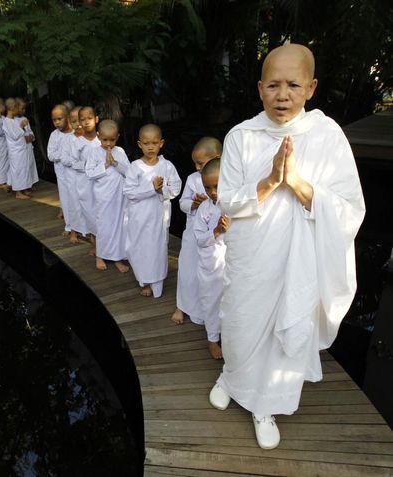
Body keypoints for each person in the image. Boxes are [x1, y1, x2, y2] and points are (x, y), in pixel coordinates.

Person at [208, 43, 366, 450]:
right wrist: (269, 181)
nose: (283, 95)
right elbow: (227, 199)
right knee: (242, 322)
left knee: (285, 333)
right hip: (252, 257)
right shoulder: (242, 136)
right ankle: (233, 376)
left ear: (311, 87)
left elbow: (350, 209)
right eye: (273, 85)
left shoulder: (328, 136)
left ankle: (266, 405)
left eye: (293, 85)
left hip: (299, 262)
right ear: (260, 88)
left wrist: (296, 182)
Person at [123, 124, 182, 298]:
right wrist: (151, 189)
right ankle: (144, 280)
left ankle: (156, 283)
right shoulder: (135, 167)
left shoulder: (167, 166)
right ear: (140, 144)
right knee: (138, 248)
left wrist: (161, 191)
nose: (150, 147)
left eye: (154, 143)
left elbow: (176, 188)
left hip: (158, 217)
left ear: (161, 143)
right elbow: (128, 192)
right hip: (139, 216)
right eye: (146, 143)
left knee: (156, 248)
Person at [171, 137, 222, 325]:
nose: (197, 168)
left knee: (212, 273)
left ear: (217, 157)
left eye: (200, 163)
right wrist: (193, 204)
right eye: (195, 163)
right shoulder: (193, 179)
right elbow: (181, 202)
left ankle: (209, 312)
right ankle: (182, 305)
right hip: (193, 232)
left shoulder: (228, 176)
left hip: (217, 237)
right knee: (187, 268)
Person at [192, 158, 228, 360]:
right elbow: (199, 238)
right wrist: (216, 230)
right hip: (211, 264)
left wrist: (229, 230)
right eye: (208, 187)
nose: (213, 192)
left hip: (230, 264)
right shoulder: (205, 208)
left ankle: (231, 337)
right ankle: (212, 339)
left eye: (217, 186)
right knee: (212, 302)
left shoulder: (234, 204)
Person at [85, 119, 131, 273]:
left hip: (119, 196)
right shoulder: (94, 152)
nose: (108, 144)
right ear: (98, 136)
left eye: (112, 139)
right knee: (104, 225)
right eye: (105, 140)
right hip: (103, 196)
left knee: (118, 225)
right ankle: (100, 255)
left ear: (117, 137)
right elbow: (90, 173)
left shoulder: (121, 152)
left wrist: (116, 163)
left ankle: (117, 257)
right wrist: (105, 165)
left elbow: (130, 172)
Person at [72, 106, 101, 252]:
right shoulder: (78, 142)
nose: (86, 122)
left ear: (96, 119)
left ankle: (106, 244)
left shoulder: (102, 139)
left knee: (101, 211)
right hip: (85, 183)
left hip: (101, 183)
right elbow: (73, 162)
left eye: (89, 118)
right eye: (82, 119)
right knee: (89, 211)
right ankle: (95, 244)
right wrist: (88, 165)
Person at [60, 106, 85, 242]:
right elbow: (64, 158)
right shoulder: (67, 139)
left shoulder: (92, 138)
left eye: (80, 120)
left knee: (87, 205)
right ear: (70, 122)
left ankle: (87, 230)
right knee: (74, 204)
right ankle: (73, 231)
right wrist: (78, 163)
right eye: (74, 121)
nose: (78, 124)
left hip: (87, 178)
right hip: (72, 177)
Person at [2, 97, 35, 199]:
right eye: (17, 107)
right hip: (15, 151)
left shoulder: (15, 120)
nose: (19, 110)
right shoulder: (6, 122)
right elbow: (14, 136)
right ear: (13, 107)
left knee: (23, 169)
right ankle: (18, 192)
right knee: (17, 170)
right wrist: (21, 126)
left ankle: (24, 188)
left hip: (22, 149)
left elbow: (23, 134)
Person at [47, 104, 73, 227]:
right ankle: (69, 226)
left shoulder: (75, 133)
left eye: (59, 119)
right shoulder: (54, 135)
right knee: (65, 195)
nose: (57, 122)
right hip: (62, 173)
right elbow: (51, 155)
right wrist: (64, 155)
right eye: (54, 120)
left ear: (67, 117)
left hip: (75, 172)